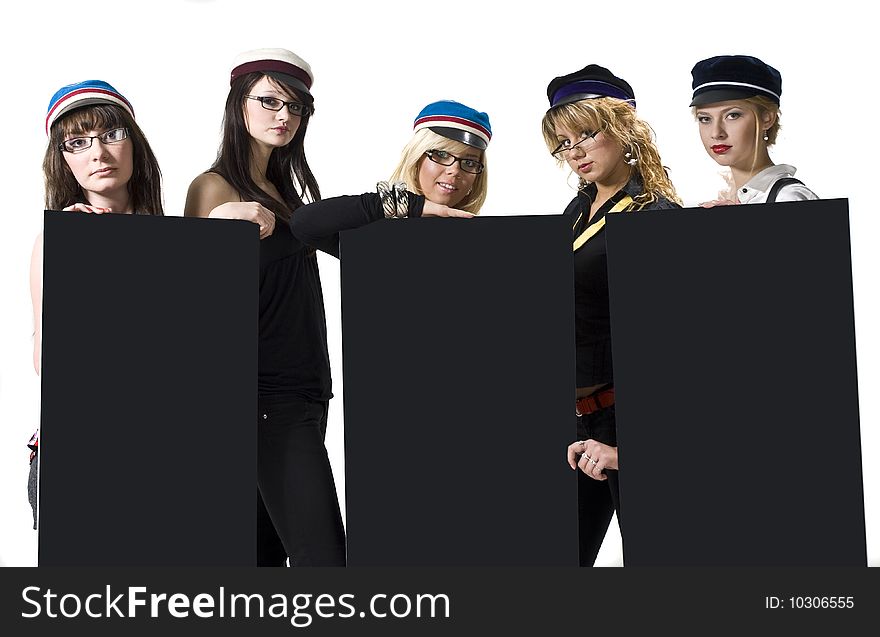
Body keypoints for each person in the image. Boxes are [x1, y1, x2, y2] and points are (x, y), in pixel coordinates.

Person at [183, 48, 345, 566]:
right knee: (326, 564)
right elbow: (191, 299)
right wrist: (213, 230)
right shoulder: (213, 186)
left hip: (306, 395)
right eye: (270, 101)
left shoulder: (285, 190)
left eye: (296, 107)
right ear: (239, 105)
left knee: (262, 563)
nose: (285, 117)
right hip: (265, 402)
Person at [542, 64, 682, 566]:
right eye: (562, 141)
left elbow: (676, 349)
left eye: (586, 133)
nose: (573, 151)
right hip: (578, 423)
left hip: (630, 421)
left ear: (624, 130)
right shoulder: (575, 211)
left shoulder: (654, 217)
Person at [29, 79, 164, 528]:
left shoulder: (174, 239)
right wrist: (80, 269)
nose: (98, 154)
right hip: (79, 452)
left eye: (111, 135)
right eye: (78, 143)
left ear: (133, 145)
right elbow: (48, 360)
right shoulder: (56, 241)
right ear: (63, 160)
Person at [289, 99, 491, 255]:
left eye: (469, 162)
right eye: (441, 154)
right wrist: (407, 205)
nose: (455, 170)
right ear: (416, 158)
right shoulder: (377, 237)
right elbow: (304, 223)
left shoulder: (486, 243)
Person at [690, 55, 818, 206]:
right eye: (705, 119)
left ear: (767, 118)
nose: (716, 133)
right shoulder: (735, 199)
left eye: (733, 115)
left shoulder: (788, 198)